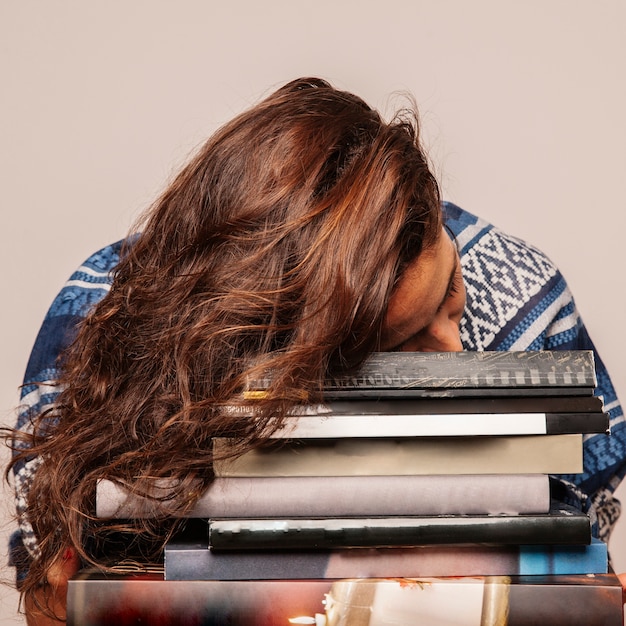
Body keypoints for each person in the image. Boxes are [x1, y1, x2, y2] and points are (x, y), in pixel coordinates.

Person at [7, 77, 626, 623]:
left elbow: (576, 556)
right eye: (399, 341)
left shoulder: (526, 301)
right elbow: (56, 595)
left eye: (451, 289)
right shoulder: (97, 325)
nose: (453, 349)